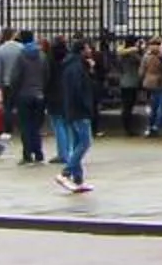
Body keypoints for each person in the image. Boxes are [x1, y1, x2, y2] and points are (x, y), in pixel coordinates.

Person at [51, 37, 98, 193]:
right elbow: (80, 89)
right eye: (88, 48)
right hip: (79, 110)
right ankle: (65, 172)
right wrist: (86, 106)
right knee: (85, 143)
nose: (90, 51)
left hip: (71, 110)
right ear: (82, 50)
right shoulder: (77, 67)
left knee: (77, 143)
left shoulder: (70, 65)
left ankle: (78, 180)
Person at [10, 31, 52, 166]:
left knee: (25, 126)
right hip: (39, 94)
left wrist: (15, 92)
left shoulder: (20, 56)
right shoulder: (42, 55)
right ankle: (39, 153)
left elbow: (15, 77)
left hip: (24, 95)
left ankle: (27, 154)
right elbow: (47, 75)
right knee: (36, 126)